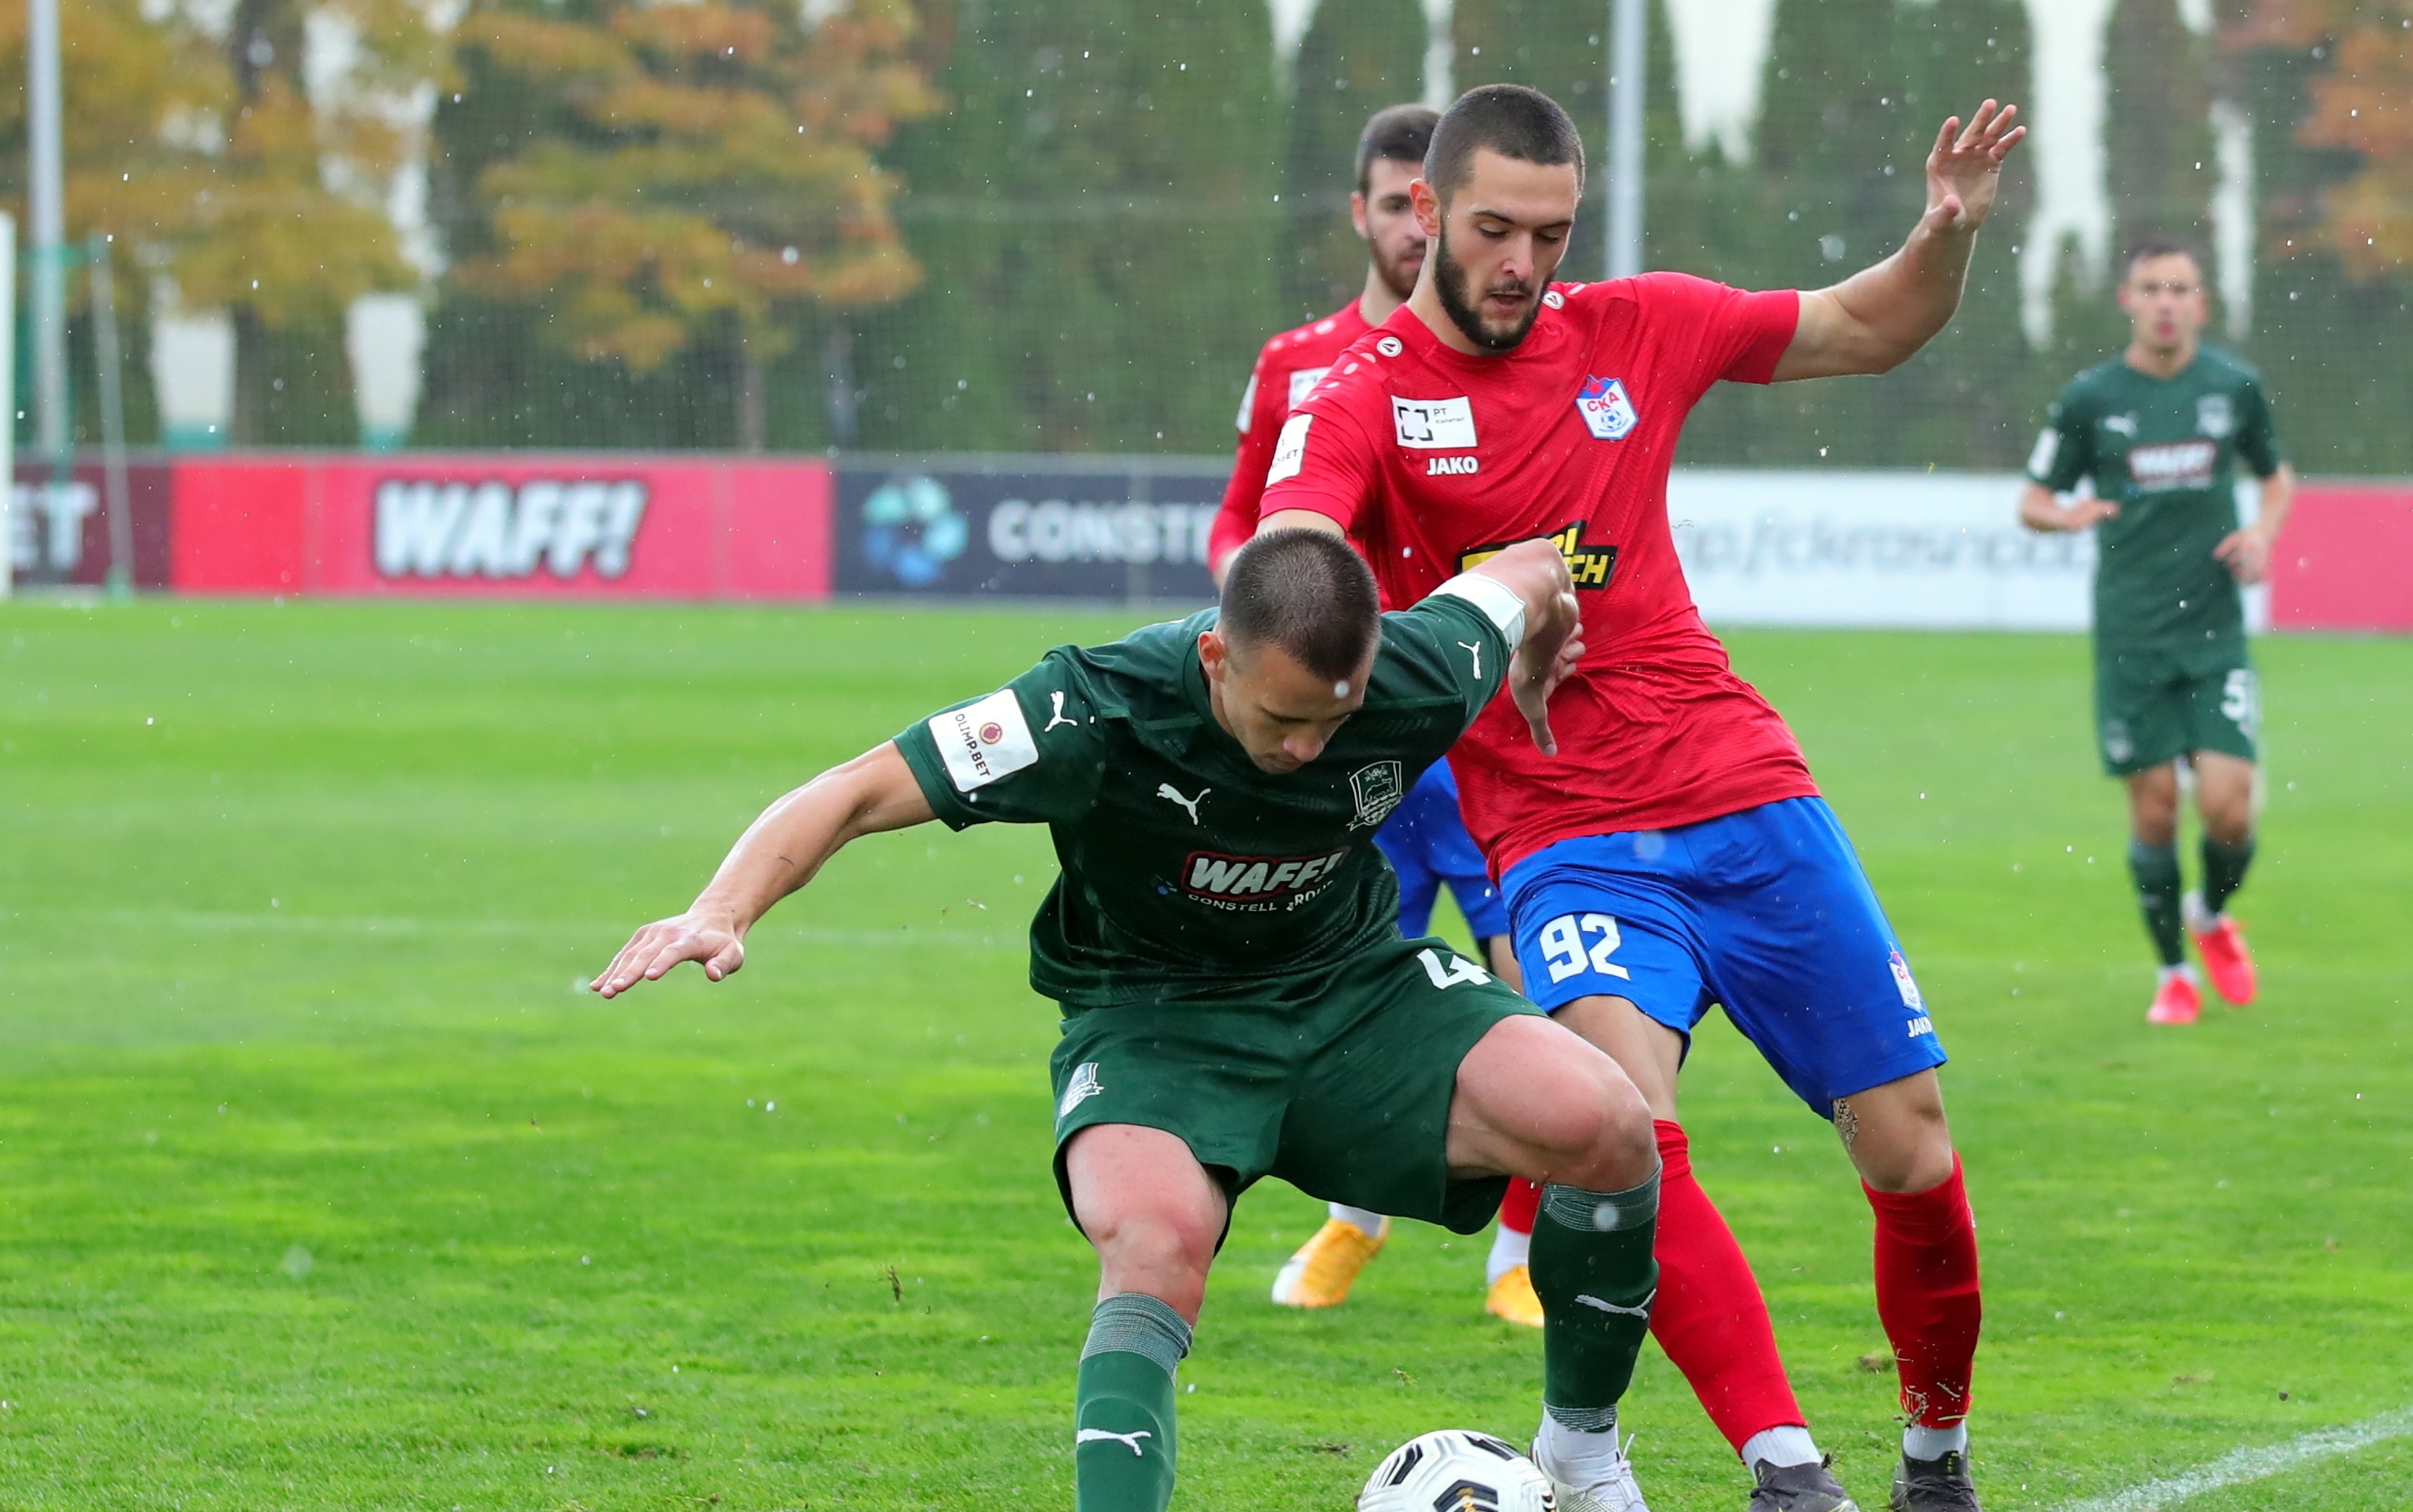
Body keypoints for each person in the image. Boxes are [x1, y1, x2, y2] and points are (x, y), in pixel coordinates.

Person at [1262, 82, 2024, 1512]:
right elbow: (1292, 561)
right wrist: (1444, 628)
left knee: (1911, 1147)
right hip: (1562, 834)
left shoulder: (1634, 328)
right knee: (1620, 1131)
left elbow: (1871, 325)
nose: (1520, 264)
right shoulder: (1358, 395)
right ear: (1423, 210)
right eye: (1492, 229)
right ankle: (1783, 1466)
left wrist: (1945, 232)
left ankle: (1933, 1456)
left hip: (1743, 791)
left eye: (1549, 234)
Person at [589, 531, 1668, 1512]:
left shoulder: (1423, 666)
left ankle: (1579, 1457)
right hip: (1153, 1019)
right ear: (1215, 659)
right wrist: (721, 909)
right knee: (1155, 1242)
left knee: (1607, 1124)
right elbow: (860, 788)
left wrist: (1535, 659)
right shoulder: (1088, 708)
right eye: (1282, 719)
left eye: (1332, 724)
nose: (1307, 749)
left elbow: (1534, 568)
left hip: (1352, 990)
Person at [1206, 102, 1550, 1327]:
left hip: (1482, 740)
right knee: (1344, 1002)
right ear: (1363, 212)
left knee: (1538, 994)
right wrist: (1256, 612)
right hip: (1347, 747)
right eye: (1397, 204)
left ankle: (1516, 1256)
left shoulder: (1513, 358)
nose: (1417, 226)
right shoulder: (1298, 365)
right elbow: (1239, 520)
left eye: (1431, 206)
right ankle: (1356, 1215)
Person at [2017, 241, 2295, 1026]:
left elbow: (2275, 476)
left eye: (2179, 288)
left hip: (2212, 633)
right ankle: (2173, 972)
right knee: (2155, 815)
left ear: (2200, 303)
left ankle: (2210, 914)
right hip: (2130, 639)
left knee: (2229, 809)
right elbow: (2032, 500)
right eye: (2151, 288)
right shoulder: (2090, 398)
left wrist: (2261, 532)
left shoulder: (2233, 387)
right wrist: (2064, 514)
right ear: (2128, 300)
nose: (2165, 302)